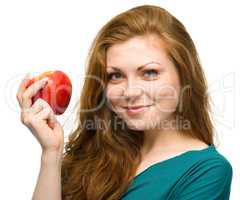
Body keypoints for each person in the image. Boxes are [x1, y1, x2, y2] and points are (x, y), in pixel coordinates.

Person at [16, 4, 233, 200]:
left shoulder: (207, 171)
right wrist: (51, 153)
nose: (130, 92)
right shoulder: (97, 151)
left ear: (184, 75)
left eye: (149, 73)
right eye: (115, 76)